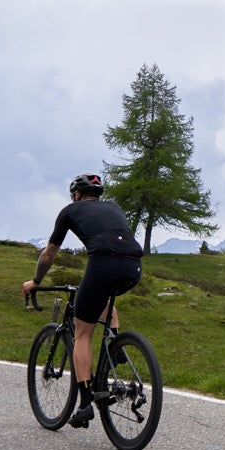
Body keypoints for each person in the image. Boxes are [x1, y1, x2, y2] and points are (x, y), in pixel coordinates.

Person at [22, 173, 143, 428]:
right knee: (106, 298)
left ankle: (86, 402)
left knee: (83, 334)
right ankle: (116, 345)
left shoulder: (70, 211)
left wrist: (36, 281)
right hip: (134, 267)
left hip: (103, 264)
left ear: (76, 195)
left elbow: (48, 255)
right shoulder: (114, 208)